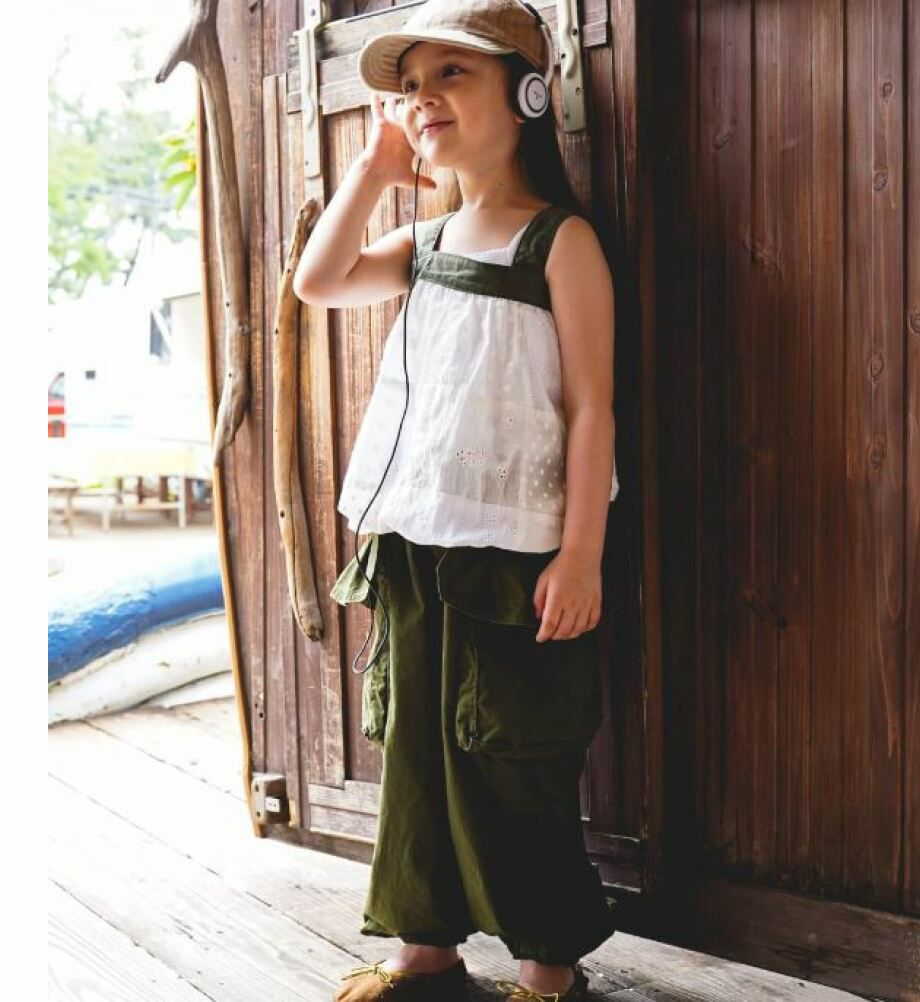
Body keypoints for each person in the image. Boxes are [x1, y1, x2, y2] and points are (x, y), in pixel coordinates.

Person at [294, 2, 620, 999]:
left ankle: (547, 966)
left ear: (529, 97)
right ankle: (424, 948)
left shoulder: (556, 241)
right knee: (415, 752)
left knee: (515, 759)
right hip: (411, 543)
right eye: (410, 87)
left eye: (452, 76)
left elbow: (593, 407)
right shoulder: (425, 240)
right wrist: (371, 170)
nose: (423, 99)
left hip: (514, 552)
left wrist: (580, 555)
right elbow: (319, 281)